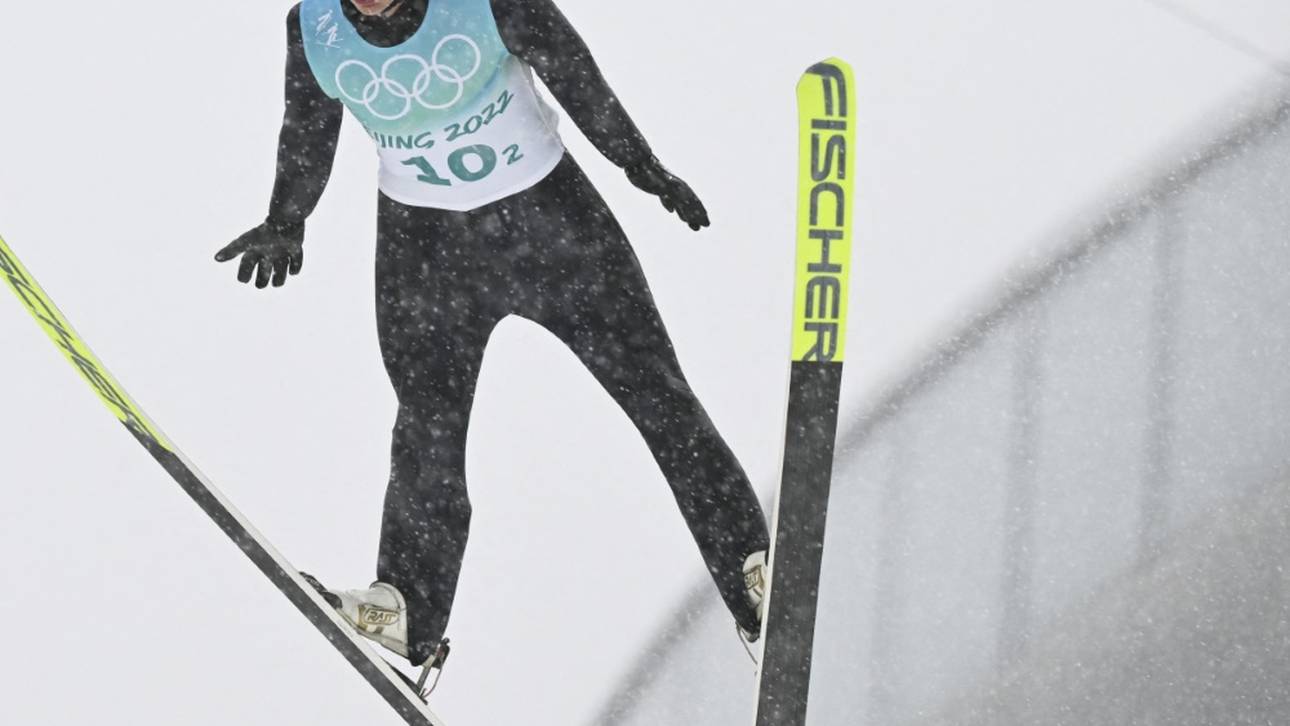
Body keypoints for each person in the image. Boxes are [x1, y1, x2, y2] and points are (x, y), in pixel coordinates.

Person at [216, 0, 770, 670]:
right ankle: (407, 613)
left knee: (657, 394)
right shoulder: (314, 30)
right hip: (426, 252)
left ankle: (751, 566)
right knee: (427, 428)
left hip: (554, 229)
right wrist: (287, 219)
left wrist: (640, 166)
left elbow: (574, 72)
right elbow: (306, 128)